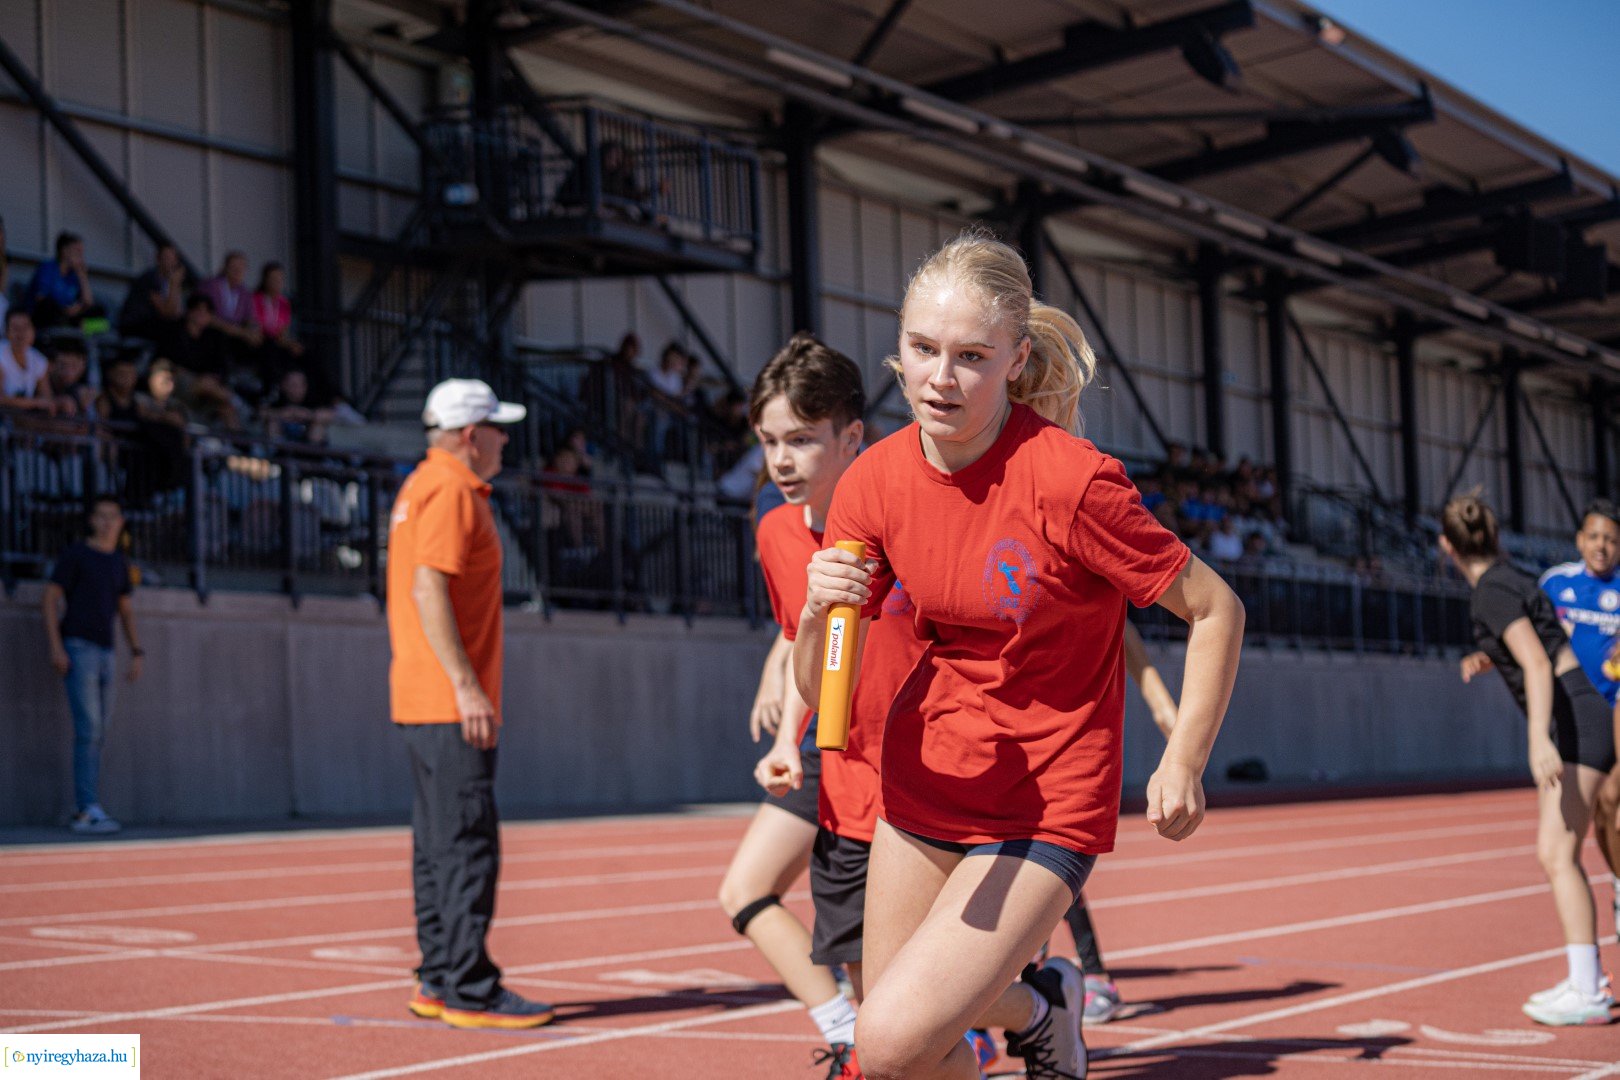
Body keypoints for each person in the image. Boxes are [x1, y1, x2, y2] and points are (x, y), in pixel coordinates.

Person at [793, 230, 1244, 1080]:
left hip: (1045, 795)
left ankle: (1045, 1010)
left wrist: (1184, 759)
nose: (941, 377)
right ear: (897, 347)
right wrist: (819, 611)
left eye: (971, 356)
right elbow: (820, 682)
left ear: (1015, 358)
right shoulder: (873, 482)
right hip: (924, 778)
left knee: (884, 1043)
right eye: (923, 350)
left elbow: (1217, 608)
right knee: (912, 1048)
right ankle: (1047, 1011)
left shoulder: (1072, 481)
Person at [718, 334, 868, 1078]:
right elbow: (799, 640)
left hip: (902, 756)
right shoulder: (776, 528)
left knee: (897, 967)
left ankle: (1035, 1003)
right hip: (824, 746)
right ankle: (845, 1030)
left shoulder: (893, 516)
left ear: (850, 438)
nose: (780, 461)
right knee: (744, 891)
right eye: (770, 441)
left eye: (802, 441)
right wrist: (784, 729)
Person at [386, 378, 552, 1030]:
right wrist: (466, 684)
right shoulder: (453, 489)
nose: (505, 438)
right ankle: (468, 987)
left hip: (419, 696)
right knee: (466, 844)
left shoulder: (420, 484)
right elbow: (430, 587)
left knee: (436, 844)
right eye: (497, 426)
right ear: (468, 436)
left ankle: (438, 975)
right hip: (448, 699)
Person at [1445, 493, 1616, 1026]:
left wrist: (1539, 740)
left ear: (1446, 546)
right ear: (1494, 537)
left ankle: (1588, 989)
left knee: (1556, 852)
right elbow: (1536, 645)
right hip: (1584, 712)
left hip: (1573, 722)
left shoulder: (1490, 592)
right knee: (1558, 851)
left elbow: (1539, 663)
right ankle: (1586, 979)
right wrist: (1490, 657)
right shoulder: (1516, 578)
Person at [1533, 502, 1620, 951]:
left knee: (1611, 800)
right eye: (1595, 537)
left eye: (1611, 539)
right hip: (1571, 718)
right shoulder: (1556, 584)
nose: (1602, 546)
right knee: (1596, 819)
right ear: (1580, 540)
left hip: (1617, 713)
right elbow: (1530, 639)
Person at [41, 497, 143, 834]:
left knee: (98, 733)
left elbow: (125, 609)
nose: (107, 523)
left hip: (107, 652)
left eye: (113, 517)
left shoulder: (118, 561)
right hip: (78, 649)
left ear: (121, 521)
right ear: (92, 520)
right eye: (101, 516)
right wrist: (56, 647)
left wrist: (137, 650)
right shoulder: (76, 555)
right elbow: (50, 598)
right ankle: (86, 808)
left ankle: (89, 805)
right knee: (89, 731)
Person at [118, 241, 191, 352]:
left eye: (174, 258)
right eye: (167, 258)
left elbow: (177, 313)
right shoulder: (150, 278)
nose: (171, 262)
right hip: (134, 324)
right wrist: (175, 284)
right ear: (158, 259)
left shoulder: (169, 281)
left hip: (153, 323)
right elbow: (167, 312)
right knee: (172, 329)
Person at [26, 232, 101, 330]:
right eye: (77, 251)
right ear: (64, 251)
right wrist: (65, 310)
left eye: (82, 253)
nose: (81, 257)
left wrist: (83, 276)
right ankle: (74, 327)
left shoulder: (74, 275)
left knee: (101, 317)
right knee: (48, 306)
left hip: (69, 317)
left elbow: (89, 303)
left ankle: (77, 327)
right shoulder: (48, 268)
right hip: (47, 317)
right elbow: (40, 298)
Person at [200, 251, 262, 356]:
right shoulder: (211, 286)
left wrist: (254, 331)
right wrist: (241, 332)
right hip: (214, 332)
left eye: (241, 268)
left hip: (238, 336)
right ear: (226, 267)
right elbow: (206, 316)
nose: (238, 271)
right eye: (234, 267)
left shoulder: (244, 292)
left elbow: (250, 318)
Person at [252, 261, 304, 380]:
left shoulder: (284, 303)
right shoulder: (256, 299)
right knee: (271, 350)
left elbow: (282, 334)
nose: (277, 282)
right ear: (265, 280)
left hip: (276, 342)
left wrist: (291, 344)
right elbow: (256, 326)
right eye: (273, 278)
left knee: (302, 352)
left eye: (280, 279)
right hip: (261, 341)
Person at [1, 308, 52, 413]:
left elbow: (47, 400)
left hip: (23, 421)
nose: (21, 334)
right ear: (6, 332)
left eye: (25, 327)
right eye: (15, 328)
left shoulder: (38, 360)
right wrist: (35, 403)